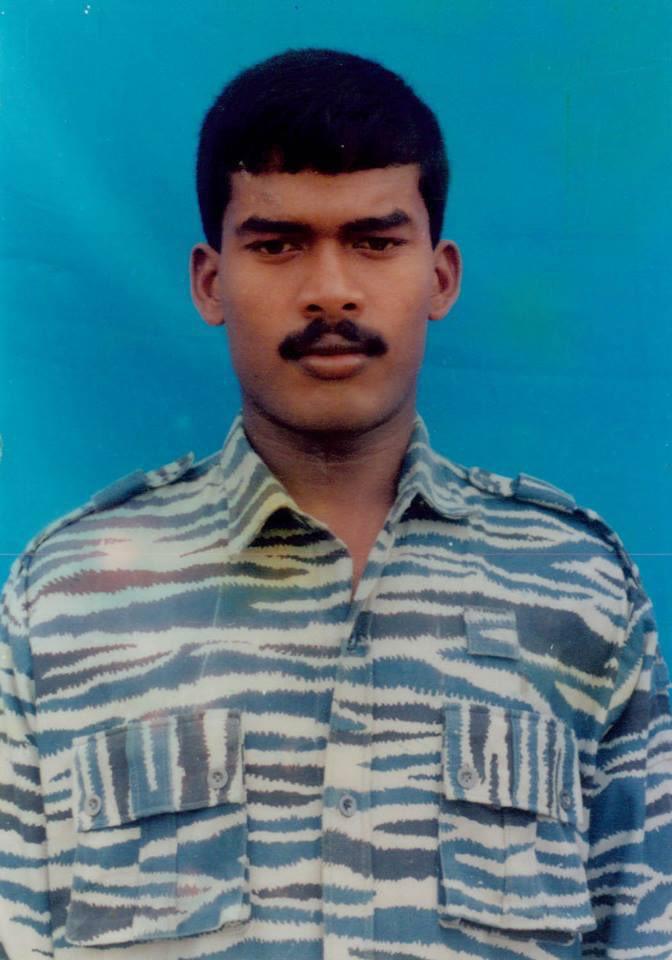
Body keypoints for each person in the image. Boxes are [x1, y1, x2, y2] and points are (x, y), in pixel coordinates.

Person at [1, 48, 670, 960]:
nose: (329, 291)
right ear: (210, 281)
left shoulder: (577, 592)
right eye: (277, 244)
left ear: (441, 277)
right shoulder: (65, 601)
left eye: (374, 241)